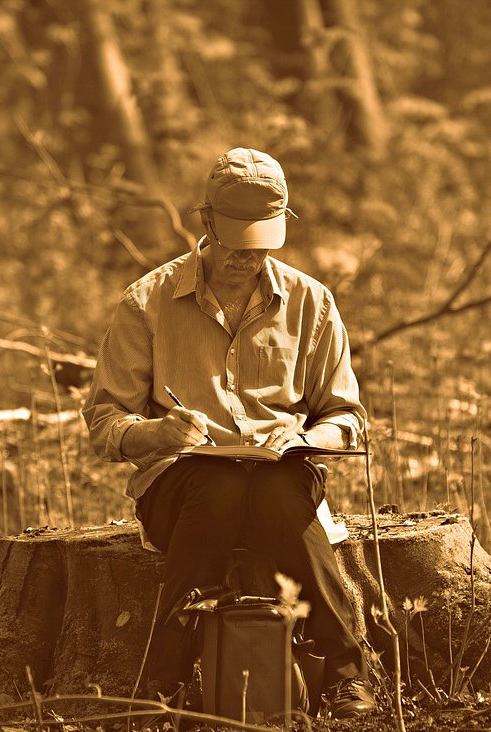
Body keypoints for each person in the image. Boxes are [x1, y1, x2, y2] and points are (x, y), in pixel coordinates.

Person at [82, 147, 375, 719]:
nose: (248, 256)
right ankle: (164, 679)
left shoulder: (312, 301)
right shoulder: (148, 300)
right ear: (207, 221)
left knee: (276, 490)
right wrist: (160, 433)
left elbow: (348, 417)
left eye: (262, 241)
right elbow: (105, 425)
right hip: (181, 483)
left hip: (280, 475)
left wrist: (304, 441)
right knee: (216, 490)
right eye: (237, 239)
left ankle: (344, 675)